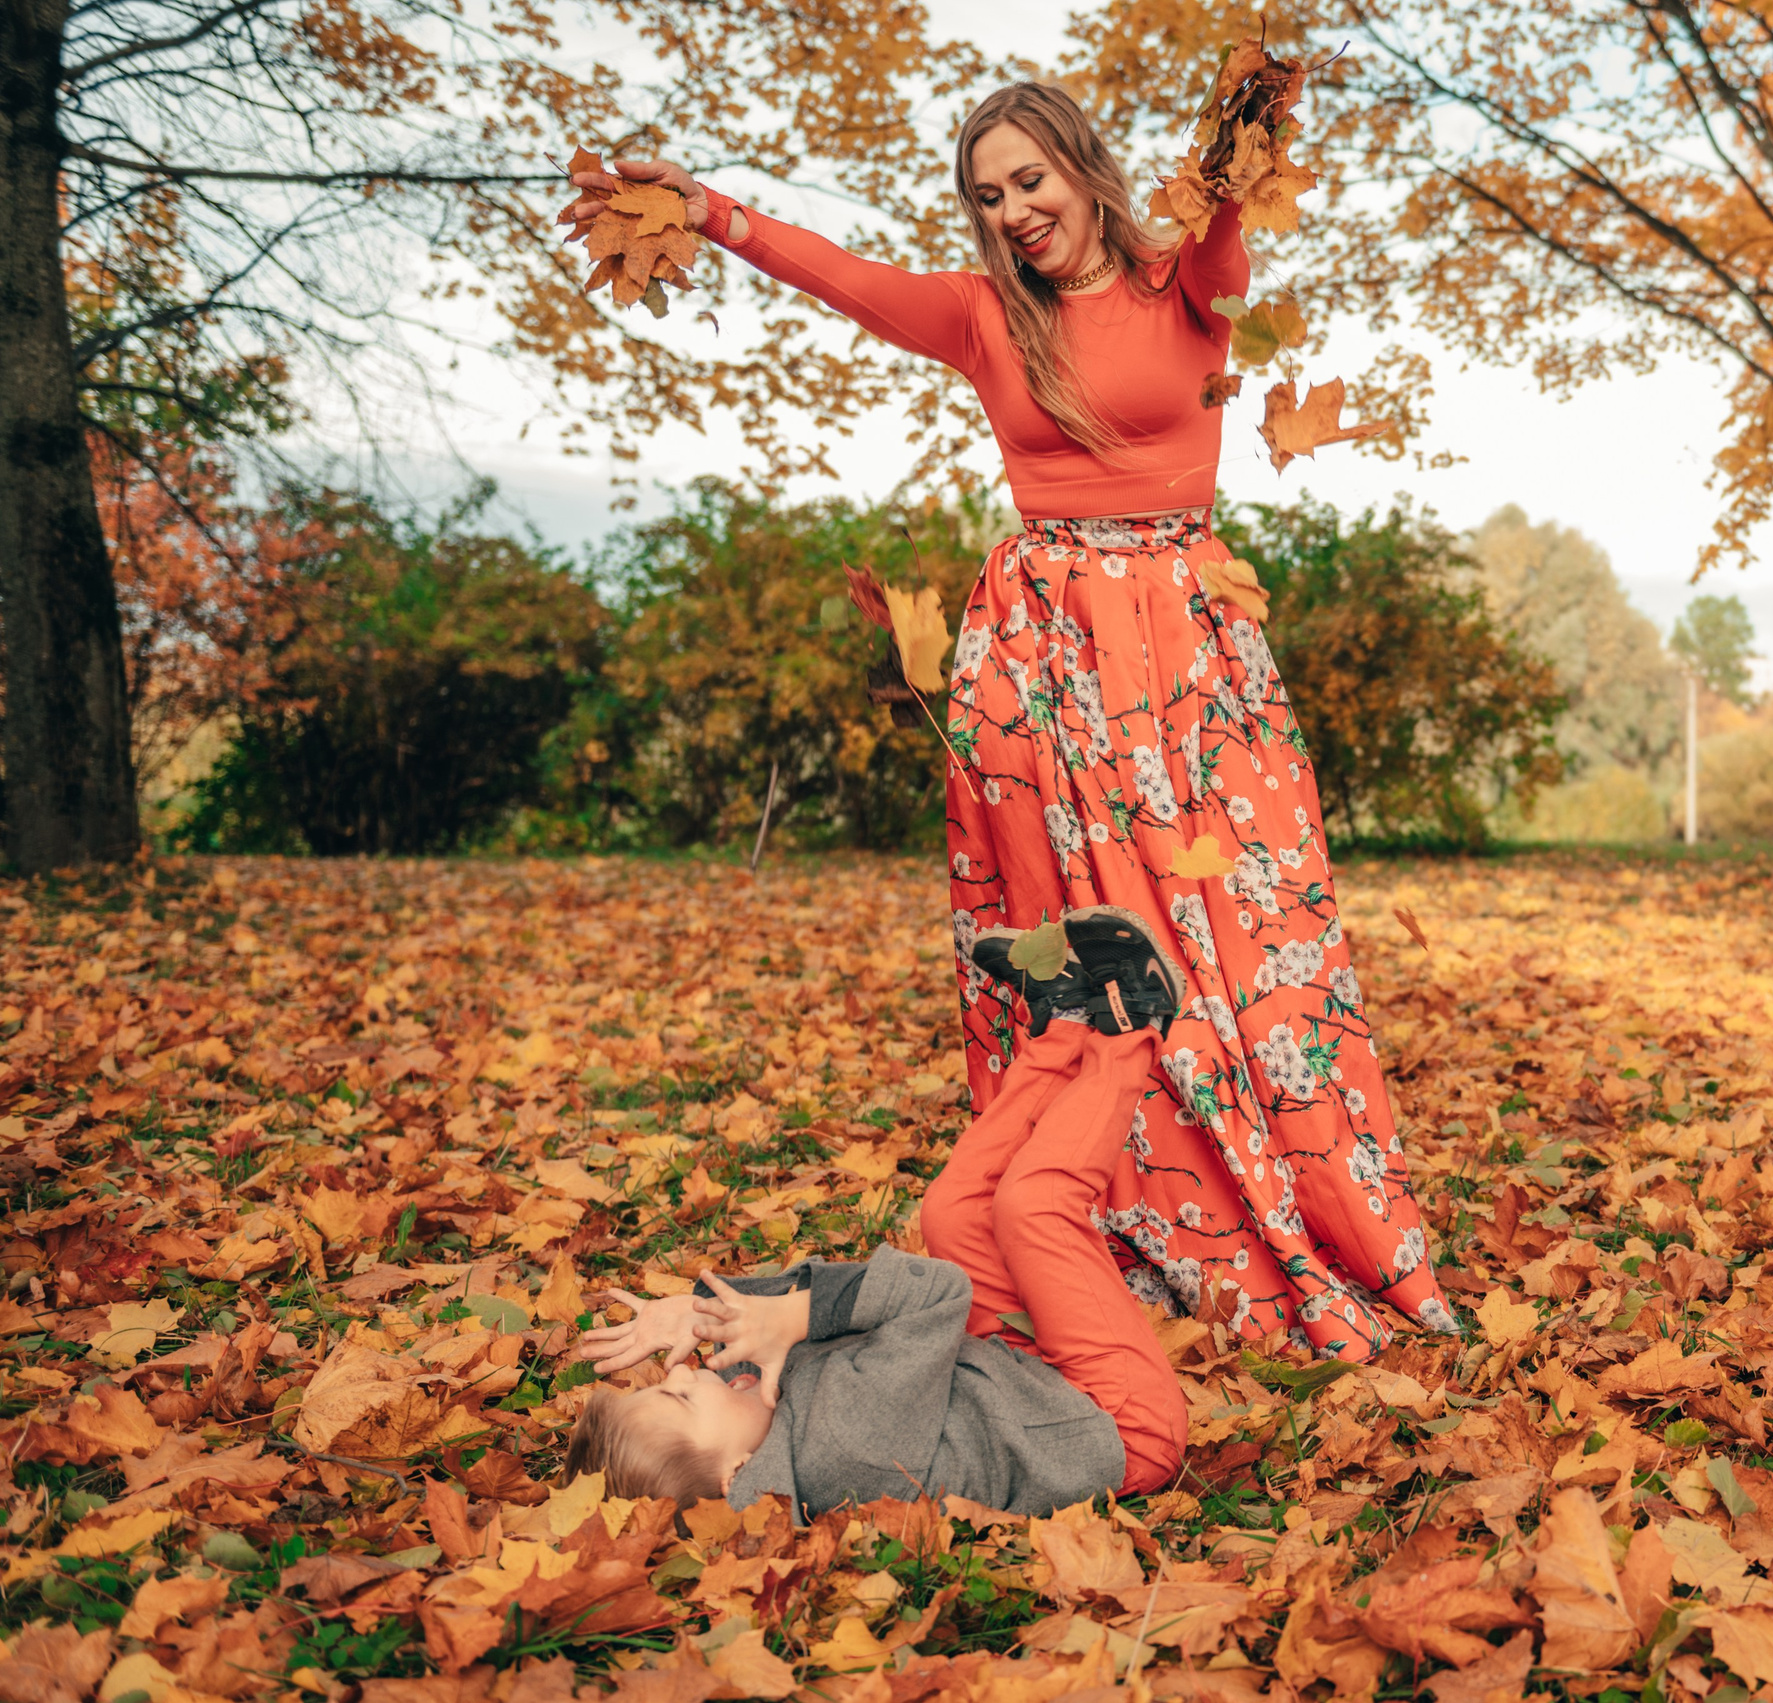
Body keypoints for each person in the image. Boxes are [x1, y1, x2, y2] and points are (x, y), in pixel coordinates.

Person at [558, 82, 1451, 1392]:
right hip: (1040, 667)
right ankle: (1114, 1223)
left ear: (1083, 167)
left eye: (1030, 180)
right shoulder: (985, 318)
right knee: (1092, 953)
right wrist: (710, 211)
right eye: (988, 195)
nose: (1014, 211)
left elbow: (1221, 242)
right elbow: (842, 276)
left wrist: (1245, 146)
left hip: (1190, 651)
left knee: (1248, 939)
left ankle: (1304, 1213)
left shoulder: (1178, 278)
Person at [564, 1255, 1128, 1517]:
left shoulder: (766, 1447)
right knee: (1031, 1203)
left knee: (958, 1206)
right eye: (680, 1396)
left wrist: (700, 1311)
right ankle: (1115, 1038)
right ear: (735, 1473)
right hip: (1099, 1415)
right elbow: (938, 1290)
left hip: (1009, 1380)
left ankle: (1067, 1036)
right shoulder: (842, 1436)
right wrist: (793, 1319)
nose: (680, 1370)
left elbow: (773, 1340)